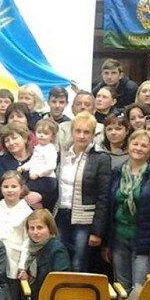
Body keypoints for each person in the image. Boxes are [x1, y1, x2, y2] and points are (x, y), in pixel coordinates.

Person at [104, 129, 150, 296]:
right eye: (135, 144)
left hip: (146, 242)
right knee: (121, 288)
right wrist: (107, 243)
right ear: (128, 145)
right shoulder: (118, 171)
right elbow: (109, 208)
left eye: (144, 145)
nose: (138, 148)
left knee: (139, 290)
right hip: (119, 239)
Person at [55, 112, 111, 272]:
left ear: (93, 135)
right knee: (60, 260)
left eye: (86, 132)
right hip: (61, 214)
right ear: (71, 132)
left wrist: (97, 231)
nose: (81, 136)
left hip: (85, 219)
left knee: (78, 262)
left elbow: (103, 197)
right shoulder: (62, 154)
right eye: (78, 131)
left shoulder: (101, 158)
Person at [0, 124, 57, 210]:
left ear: (25, 139)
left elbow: (51, 186)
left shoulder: (38, 157)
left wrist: (41, 197)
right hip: (11, 209)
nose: (11, 143)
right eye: (7, 141)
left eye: (14, 138)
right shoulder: (0, 162)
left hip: (38, 209)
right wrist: (24, 199)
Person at [0, 171, 32, 291]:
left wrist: (22, 265)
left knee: (11, 293)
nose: (9, 190)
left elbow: (27, 241)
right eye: (6, 186)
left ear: (21, 188)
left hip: (14, 260)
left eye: (14, 186)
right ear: (1, 188)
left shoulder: (27, 212)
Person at [17, 209, 70, 300]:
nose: (35, 232)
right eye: (32, 228)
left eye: (40, 228)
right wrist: (27, 277)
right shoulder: (29, 247)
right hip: (34, 298)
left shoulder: (57, 249)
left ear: (50, 228)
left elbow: (60, 281)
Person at [18, 119, 58, 183]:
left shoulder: (49, 149)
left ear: (52, 136)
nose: (41, 135)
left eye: (45, 133)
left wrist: (38, 174)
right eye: (39, 132)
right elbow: (33, 161)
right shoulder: (38, 147)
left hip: (46, 178)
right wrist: (24, 167)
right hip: (36, 177)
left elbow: (51, 166)